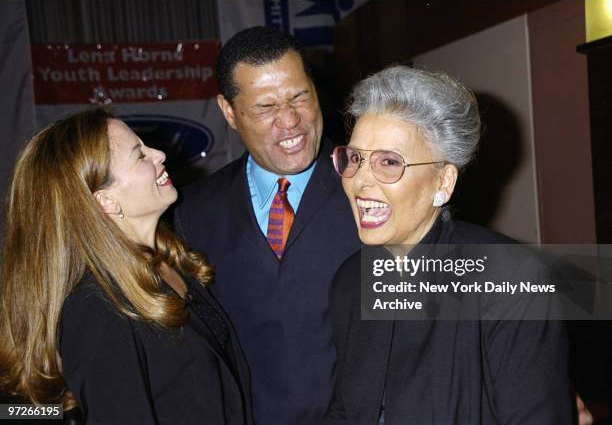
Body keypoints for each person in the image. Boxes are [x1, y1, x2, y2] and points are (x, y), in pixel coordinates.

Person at [326, 66, 573, 423]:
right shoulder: (349, 281)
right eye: (356, 158)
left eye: (389, 162)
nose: (360, 181)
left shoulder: (512, 278)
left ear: (443, 181)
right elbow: (345, 412)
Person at [0, 108, 253, 425]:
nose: (159, 154)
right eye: (140, 155)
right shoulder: (96, 310)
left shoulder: (168, 260)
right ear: (105, 201)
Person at [174, 27, 360, 423]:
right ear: (229, 111)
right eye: (265, 107)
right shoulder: (192, 213)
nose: (290, 121)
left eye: (300, 97)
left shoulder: (371, 190)